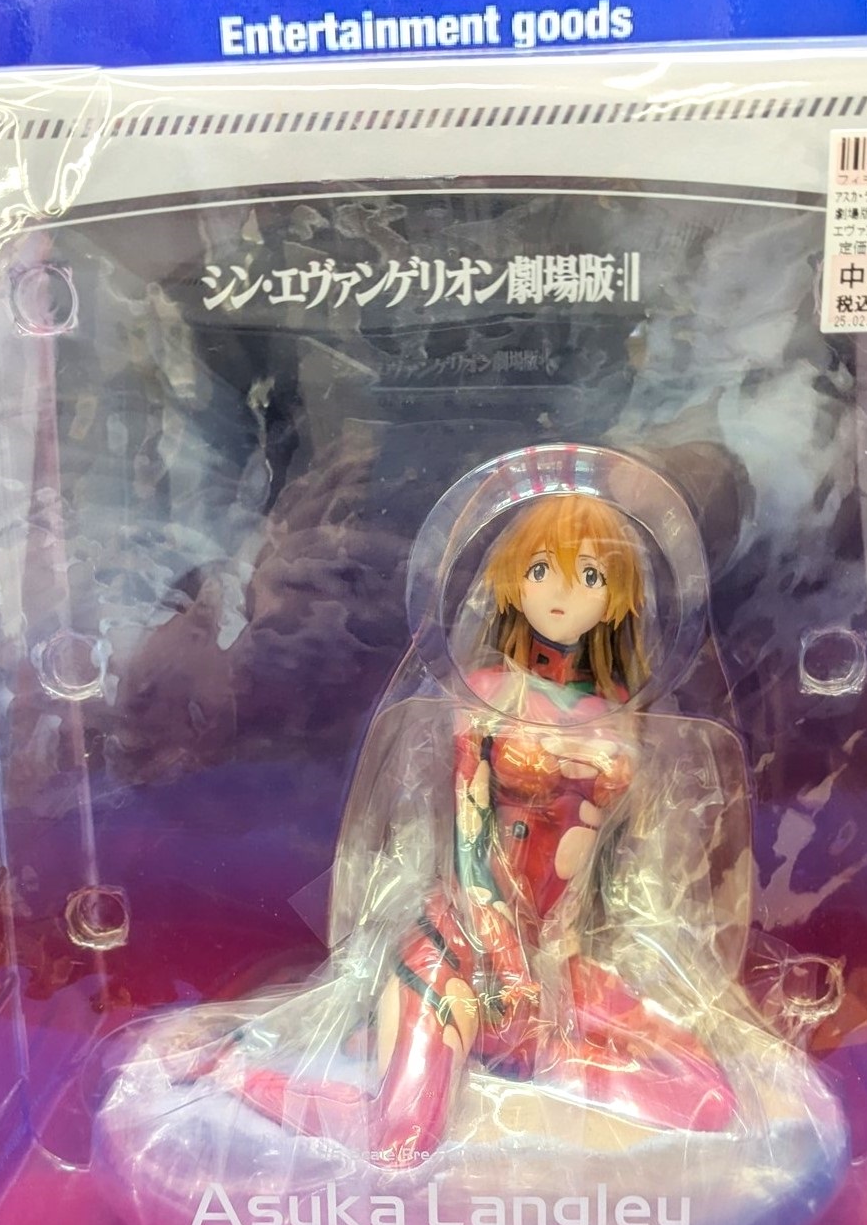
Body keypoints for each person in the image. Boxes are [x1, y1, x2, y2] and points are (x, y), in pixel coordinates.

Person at [198, 481, 739, 1167]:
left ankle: (529, 1073)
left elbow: (624, 862)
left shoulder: (619, 711)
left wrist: (558, 1038)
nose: (560, 592)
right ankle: (241, 1075)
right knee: (401, 1139)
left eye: (589, 575)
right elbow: (470, 837)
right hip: (459, 953)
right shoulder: (485, 693)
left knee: (708, 1097)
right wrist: (502, 963)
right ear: (510, 583)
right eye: (539, 569)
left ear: (618, 597)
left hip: (560, 965)